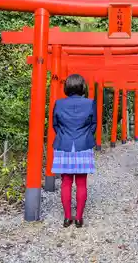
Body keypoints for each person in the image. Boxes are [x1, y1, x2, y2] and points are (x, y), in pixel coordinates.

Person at [51, 74, 97, 228]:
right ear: (82, 86)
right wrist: (84, 136)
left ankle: (66, 218)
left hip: (64, 145)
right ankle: (78, 218)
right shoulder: (90, 103)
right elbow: (93, 125)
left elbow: (55, 125)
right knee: (82, 182)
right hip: (83, 144)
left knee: (66, 182)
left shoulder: (59, 103)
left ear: (67, 86)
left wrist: (64, 135)